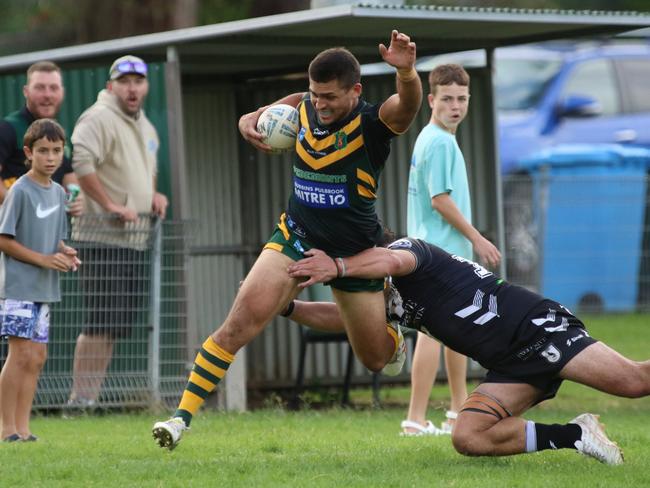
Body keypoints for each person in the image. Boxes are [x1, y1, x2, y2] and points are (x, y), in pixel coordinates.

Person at [152, 30, 422, 450]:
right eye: (315, 93)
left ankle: (390, 325)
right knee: (237, 325)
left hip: (354, 251)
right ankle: (179, 418)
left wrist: (406, 71)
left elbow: (407, 107)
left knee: (375, 358)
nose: (319, 103)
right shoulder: (303, 105)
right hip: (295, 235)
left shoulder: (372, 123)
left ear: (356, 90)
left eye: (329, 96)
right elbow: (272, 110)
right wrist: (248, 119)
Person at [285, 239, 650, 465]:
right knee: (468, 436)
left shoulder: (408, 251)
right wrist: (287, 308)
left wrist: (337, 266)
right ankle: (578, 435)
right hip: (509, 365)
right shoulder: (382, 301)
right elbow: (345, 319)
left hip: (535, 328)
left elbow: (392, 263)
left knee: (635, 382)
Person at [402, 64, 501, 436]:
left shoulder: (432, 136)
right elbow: (440, 200)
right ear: (432, 100)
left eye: (461, 99)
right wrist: (477, 237)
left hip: (436, 252)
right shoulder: (440, 141)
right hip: (439, 253)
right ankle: (414, 419)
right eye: (447, 99)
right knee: (432, 332)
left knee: (454, 329)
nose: (455, 106)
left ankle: (459, 409)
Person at [67, 55, 168, 409]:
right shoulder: (98, 117)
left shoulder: (146, 126)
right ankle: (78, 400)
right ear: (112, 86)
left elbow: (148, 171)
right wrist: (110, 205)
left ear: (145, 87)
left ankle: (89, 399)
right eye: (124, 81)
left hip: (134, 239)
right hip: (100, 237)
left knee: (115, 323)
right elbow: (80, 163)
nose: (132, 87)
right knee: (99, 320)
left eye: (138, 81)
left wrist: (153, 194)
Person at [0, 119, 80, 441]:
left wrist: (66, 253)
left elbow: (56, 241)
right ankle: (6, 429)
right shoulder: (19, 190)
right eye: (43, 151)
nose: (50, 157)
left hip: (45, 289)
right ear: (28, 152)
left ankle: (24, 428)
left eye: (57, 151)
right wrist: (45, 259)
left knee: (37, 358)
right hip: (18, 288)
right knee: (18, 356)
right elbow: (4, 240)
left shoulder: (59, 194)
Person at [0, 61, 83, 216]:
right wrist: (19, 209)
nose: (47, 95)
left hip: (53, 234)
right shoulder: (8, 128)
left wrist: (76, 201)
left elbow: (68, 176)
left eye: (53, 88)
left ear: (62, 92)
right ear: (26, 91)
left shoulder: (57, 132)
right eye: (39, 87)